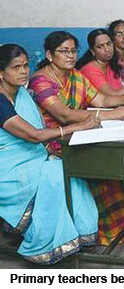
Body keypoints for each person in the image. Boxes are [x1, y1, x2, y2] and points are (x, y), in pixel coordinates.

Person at [29, 31, 124, 245]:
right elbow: (63, 114)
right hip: (58, 139)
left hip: (83, 129)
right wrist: (110, 114)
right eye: (64, 51)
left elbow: (101, 98)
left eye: (74, 50)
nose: (70, 56)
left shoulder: (76, 75)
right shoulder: (41, 81)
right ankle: (105, 231)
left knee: (122, 155)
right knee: (102, 163)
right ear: (49, 55)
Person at [0, 44, 98, 264]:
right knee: (56, 172)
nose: (24, 71)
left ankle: (79, 234)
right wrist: (75, 127)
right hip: (8, 167)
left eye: (26, 66)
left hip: (32, 158)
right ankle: (44, 242)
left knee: (67, 168)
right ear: (1, 73)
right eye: (16, 67)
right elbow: (33, 136)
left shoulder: (23, 94)